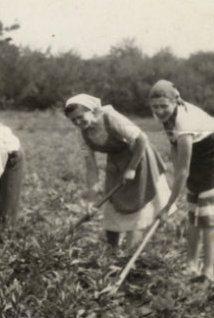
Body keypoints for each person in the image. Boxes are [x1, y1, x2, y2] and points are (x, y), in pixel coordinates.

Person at [148, 80, 214, 283]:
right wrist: (179, 186)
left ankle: (208, 271)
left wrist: (168, 205)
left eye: (163, 106)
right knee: (193, 211)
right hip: (198, 152)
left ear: (175, 102)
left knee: (210, 216)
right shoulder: (164, 117)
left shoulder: (184, 122)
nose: (159, 111)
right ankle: (191, 264)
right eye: (155, 107)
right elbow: (175, 151)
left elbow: (182, 171)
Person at [64, 94, 173, 249]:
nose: (77, 122)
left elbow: (142, 139)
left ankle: (129, 252)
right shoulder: (81, 134)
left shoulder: (111, 118)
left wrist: (132, 169)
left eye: (80, 117)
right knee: (113, 206)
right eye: (73, 120)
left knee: (138, 206)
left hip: (139, 157)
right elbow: (91, 167)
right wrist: (91, 201)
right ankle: (112, 252)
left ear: (93, 111)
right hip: (116, 163)